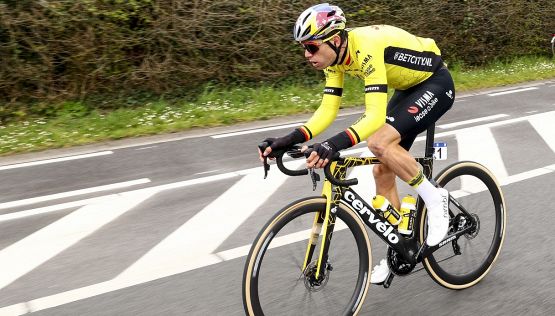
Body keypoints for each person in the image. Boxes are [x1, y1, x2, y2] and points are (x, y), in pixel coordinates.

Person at [258, 3, 454, 284]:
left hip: (434, 83)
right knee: (381, 172)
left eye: (311, 47)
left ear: (334, 39)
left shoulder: (366, 46)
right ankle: (400, 246)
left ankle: (436, 199)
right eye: (303, 48)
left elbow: (374, 117)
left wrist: (332, 145)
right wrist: (288, 140)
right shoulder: (335, 59)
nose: (307, 54)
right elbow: (327, 111)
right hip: (407, 89)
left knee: (379, 143)